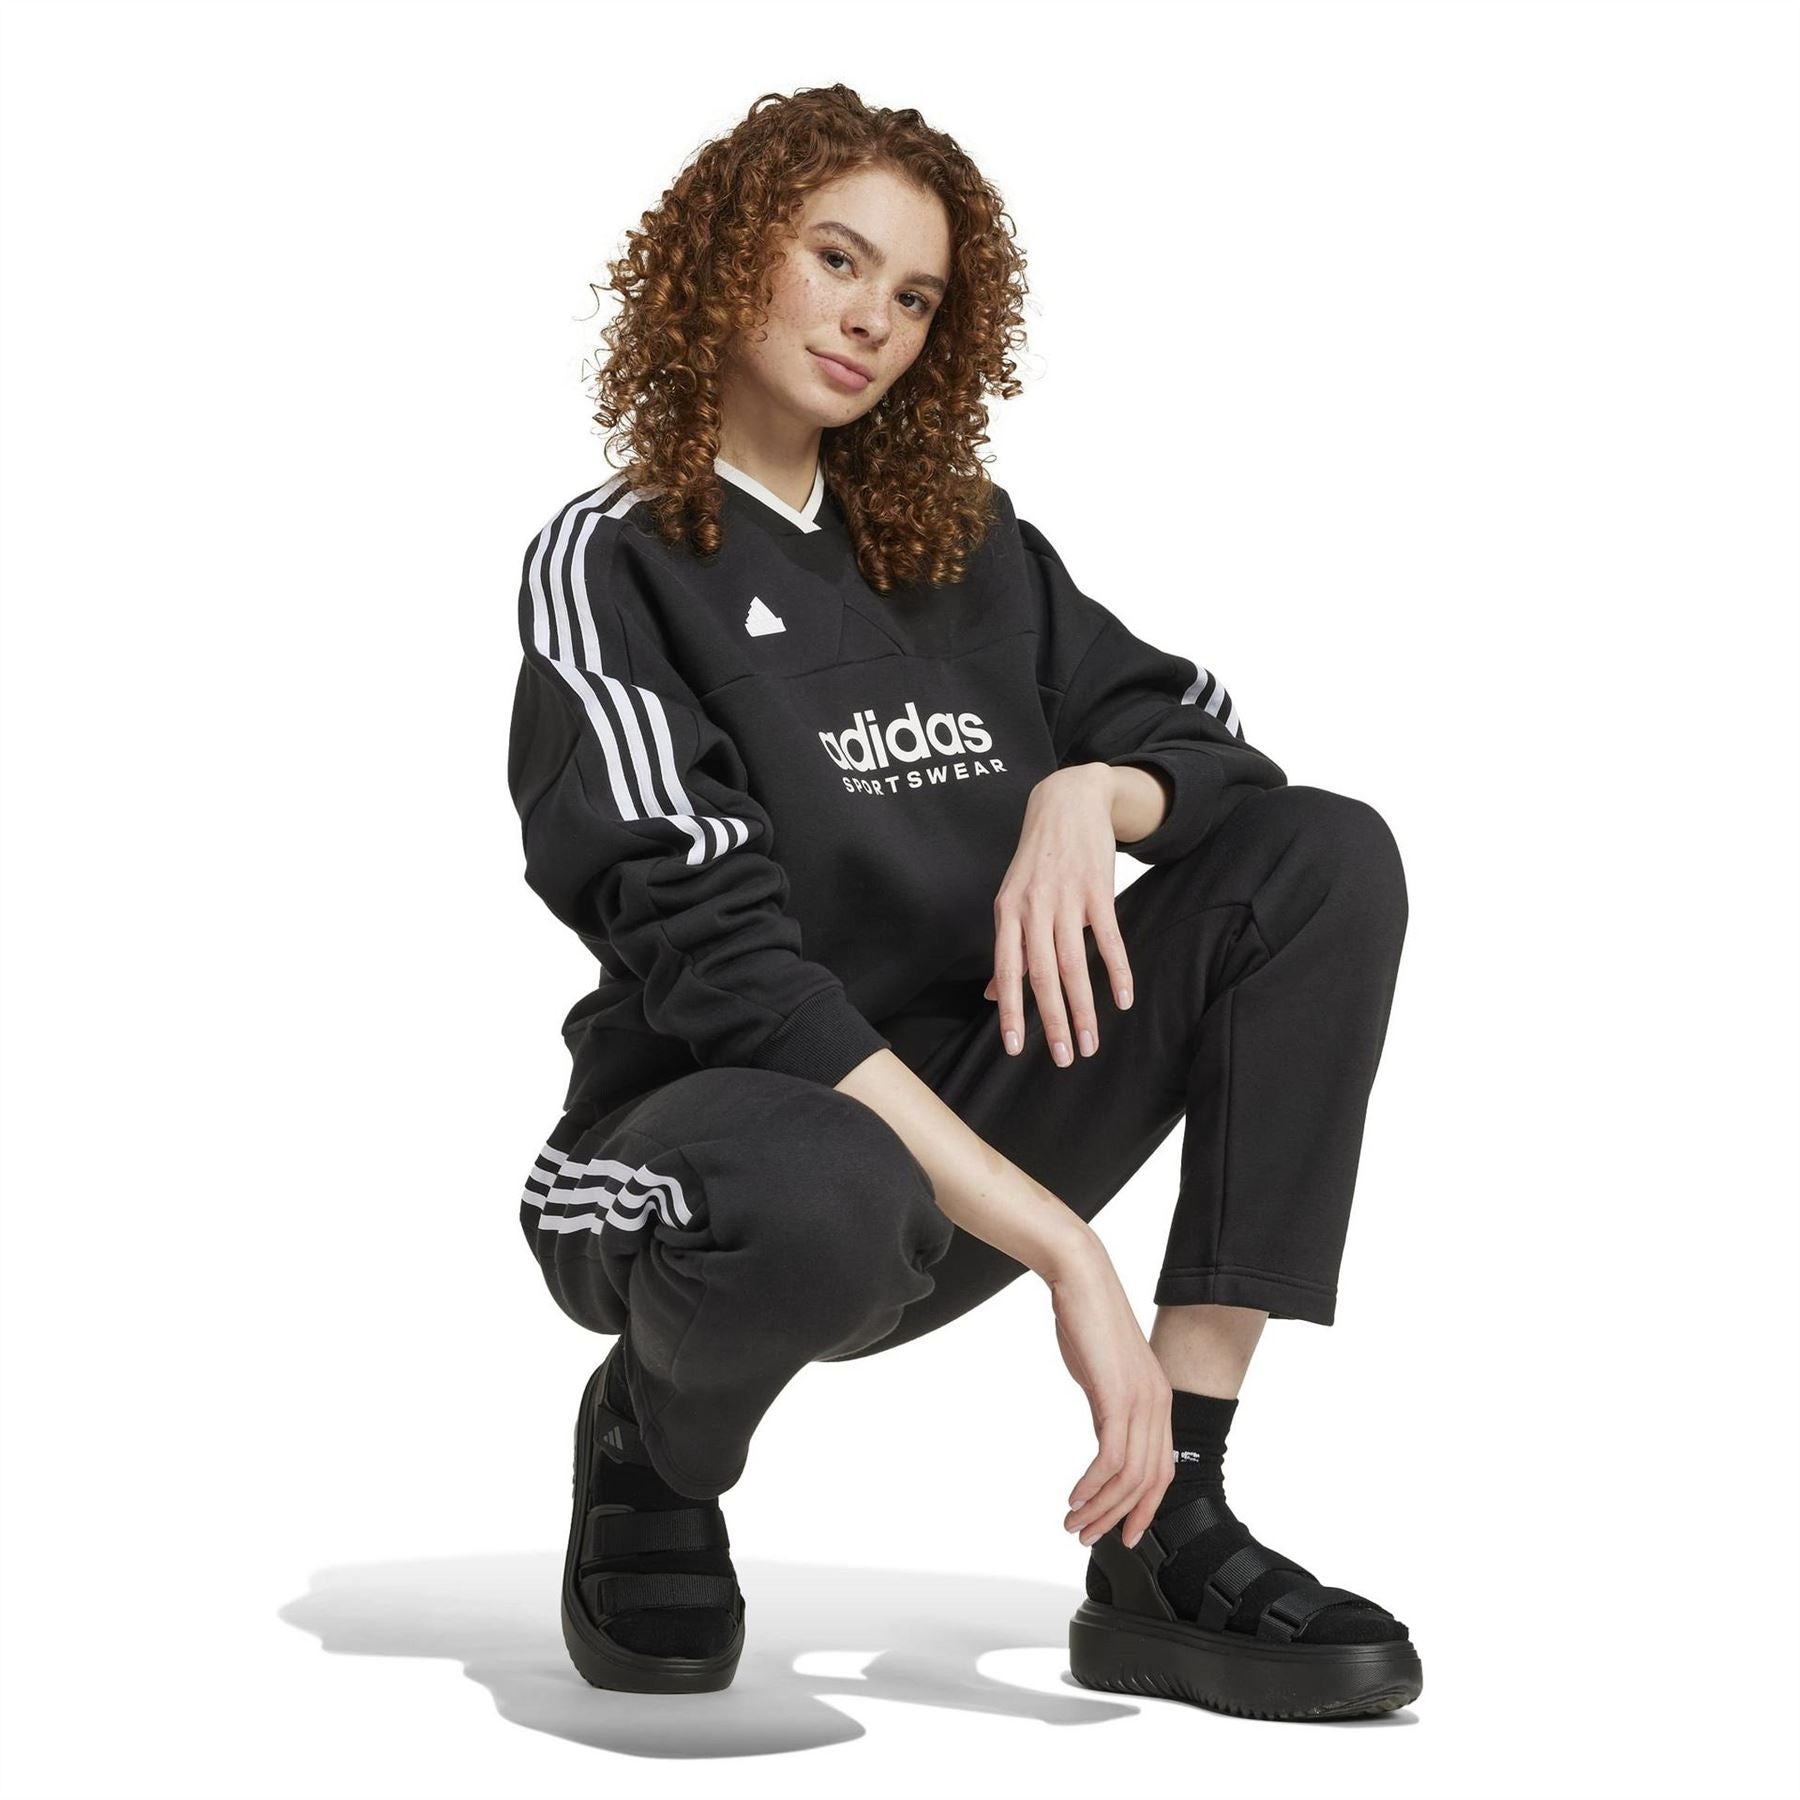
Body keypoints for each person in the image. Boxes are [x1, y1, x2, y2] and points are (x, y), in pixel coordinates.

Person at [507, 83, 1420, 1722]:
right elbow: (723, 961)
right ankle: (656, 1440)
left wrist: (1092, 794)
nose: (873, 319)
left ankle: (1169, 1512)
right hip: (725, 1151)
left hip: (981, 1096)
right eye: (836, 258)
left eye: (917, 295)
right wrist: (1067, 1249)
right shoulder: (616, 559)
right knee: (824, 1181)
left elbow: (1214, 747)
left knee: (1323, 863)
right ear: (729, 257)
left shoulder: (966, 546)